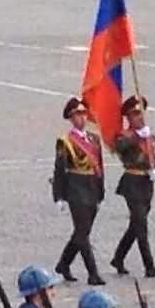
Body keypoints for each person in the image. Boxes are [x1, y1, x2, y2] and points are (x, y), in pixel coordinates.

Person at [52, 97, 106, 285]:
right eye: (77, 115)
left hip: (91, 189)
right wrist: (58, 195)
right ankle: (93, 273)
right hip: (76, 189)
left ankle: (64, 263)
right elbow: (59, 170)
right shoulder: (65, 142)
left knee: (82, 232)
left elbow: (100, 167)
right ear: (70, 118)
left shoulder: (94, 139)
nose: (81, 119)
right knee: (83, 233)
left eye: (83, 114)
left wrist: (101, 192)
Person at [111, 95, 155, 278]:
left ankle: (118, 257)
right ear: (128, 117)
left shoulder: (151, 137)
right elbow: (120, 148)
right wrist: (136, 136)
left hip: (146, 184)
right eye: (135, 114)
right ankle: (149, 266)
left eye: (141, 113)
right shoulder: (123, 136)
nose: (139, 117)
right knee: (141, 225)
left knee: (135, 225)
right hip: (131, 183)